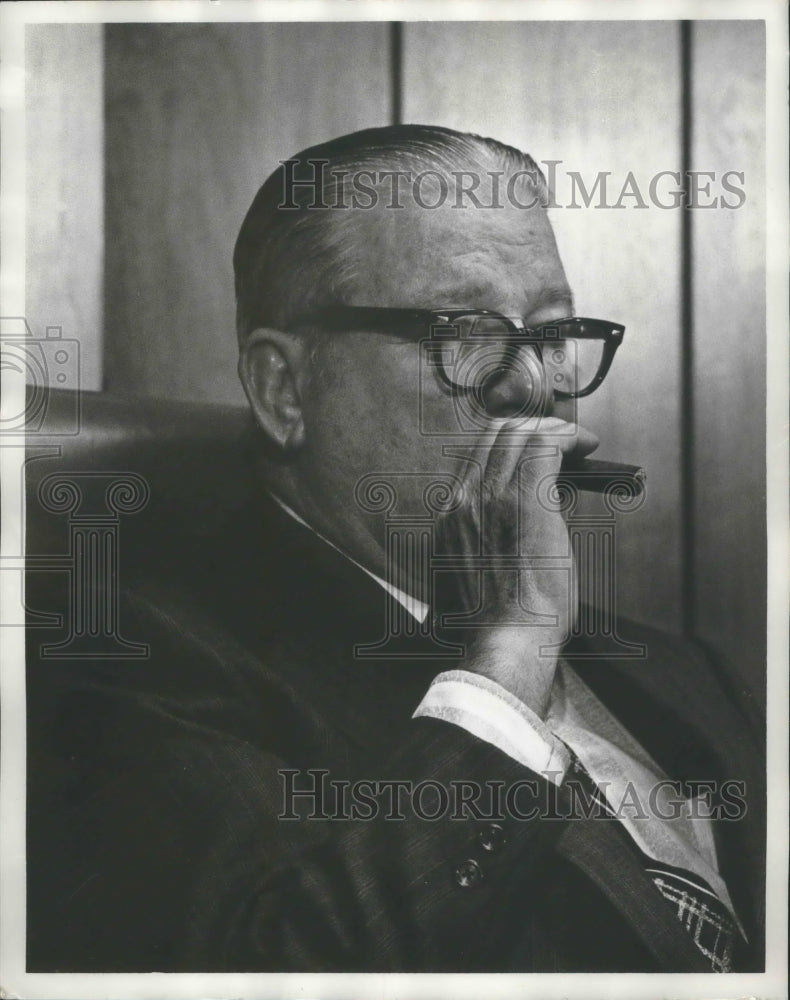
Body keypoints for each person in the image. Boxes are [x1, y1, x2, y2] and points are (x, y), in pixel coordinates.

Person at [26, 125, 764, 973]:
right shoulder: (134, 671)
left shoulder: (688, 675)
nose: (535, 385)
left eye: (553, 334)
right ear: (284, 389)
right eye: (467, 332)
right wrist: (512, 653)